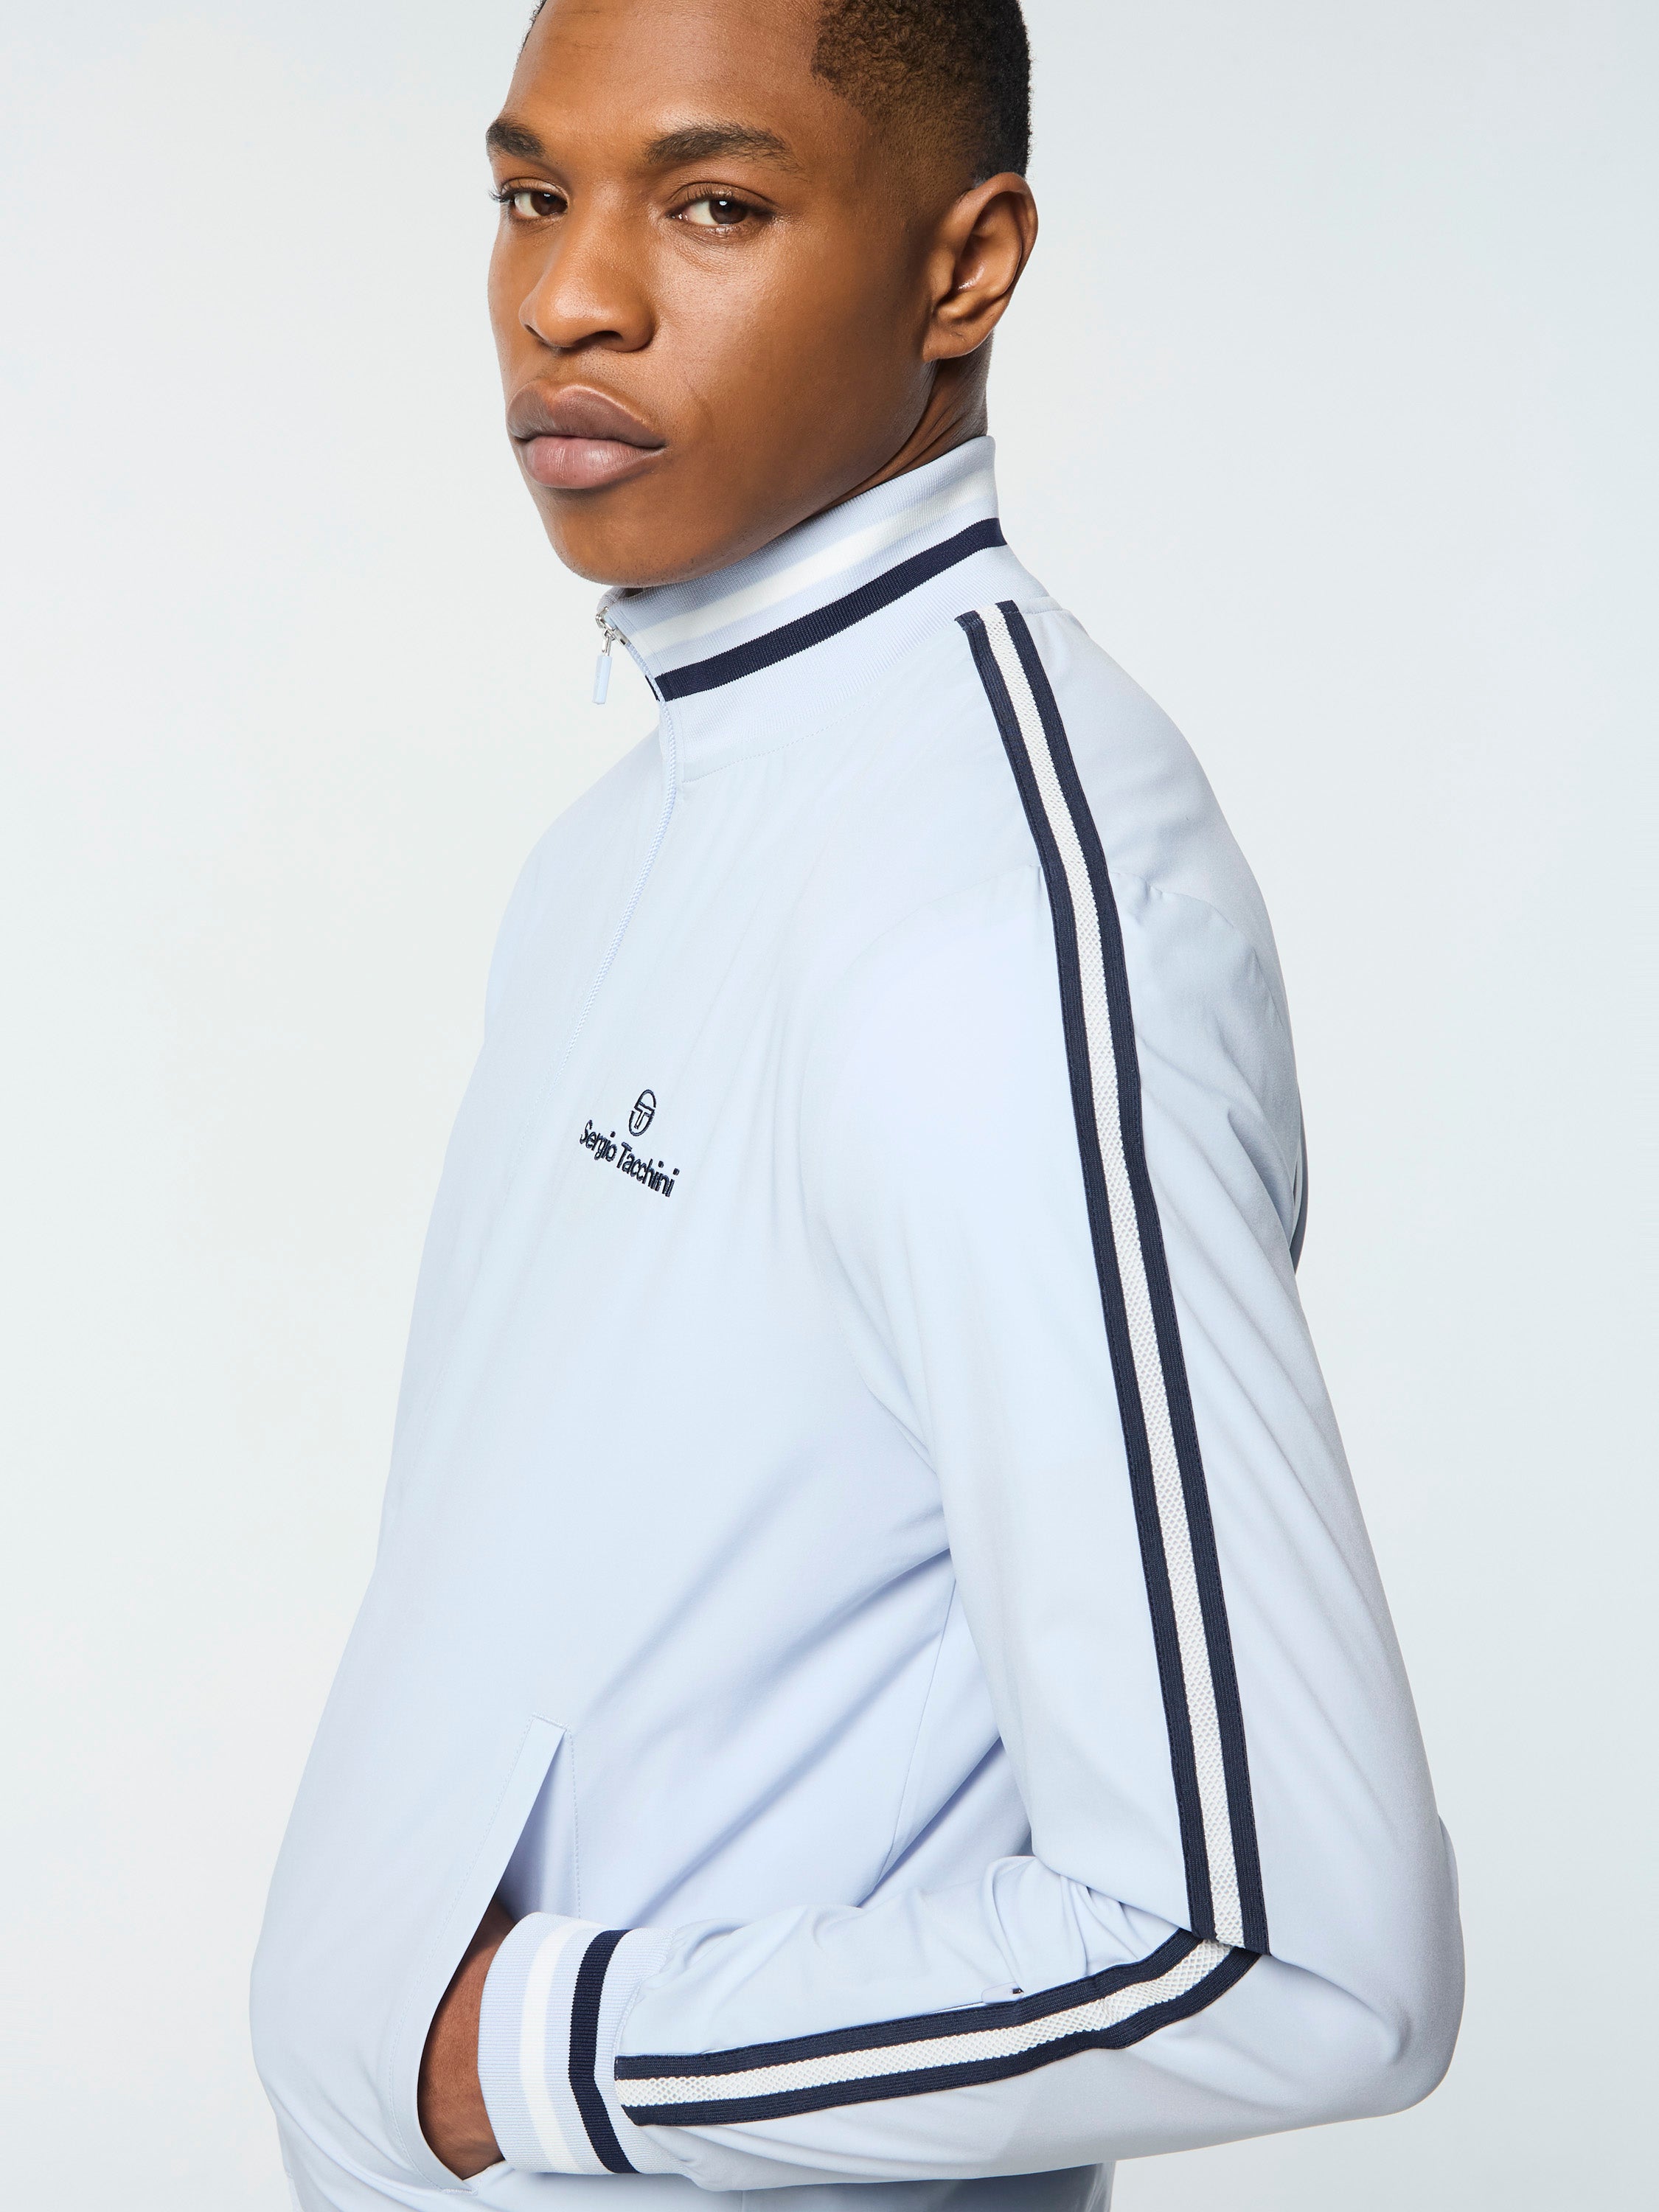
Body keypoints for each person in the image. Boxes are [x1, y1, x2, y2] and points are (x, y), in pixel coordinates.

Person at [251, 1, 1464, 2205]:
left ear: (962, 265)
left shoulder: (991, 915)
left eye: (714, 205)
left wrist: (527, 2058)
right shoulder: (638, 832)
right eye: (531, 194)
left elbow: (1288, 1953)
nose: (567, 295)